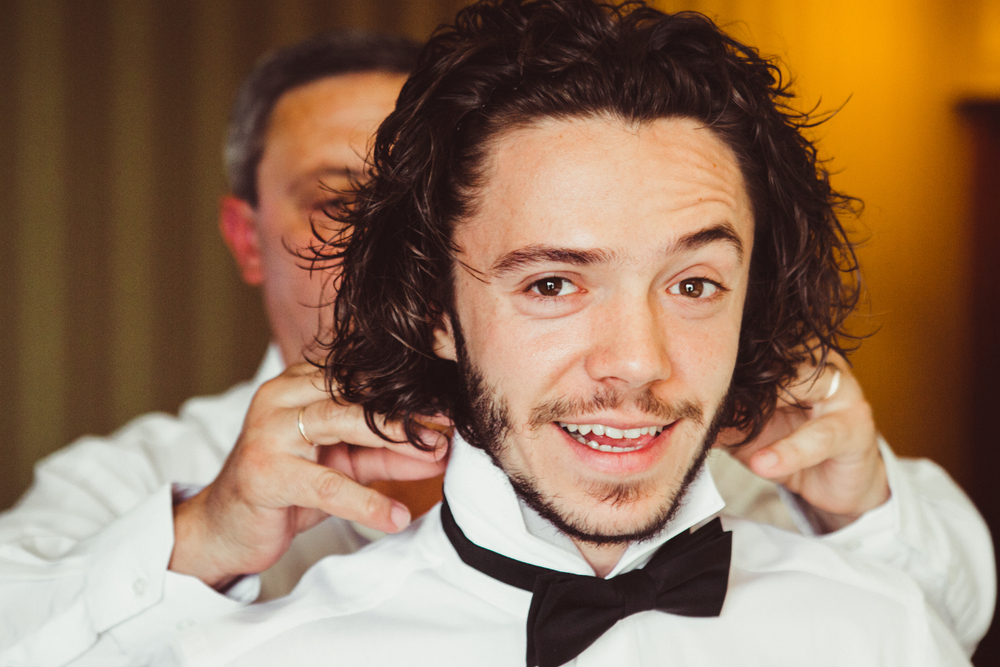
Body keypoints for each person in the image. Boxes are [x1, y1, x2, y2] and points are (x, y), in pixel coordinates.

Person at [0, 21, 990, 667]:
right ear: (426, 295)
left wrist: (869, 513)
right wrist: (203, 534)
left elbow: (954, 600)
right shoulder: (253, 639)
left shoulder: (877, 623)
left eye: (692, 283)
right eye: (552, 282)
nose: (635, 362)